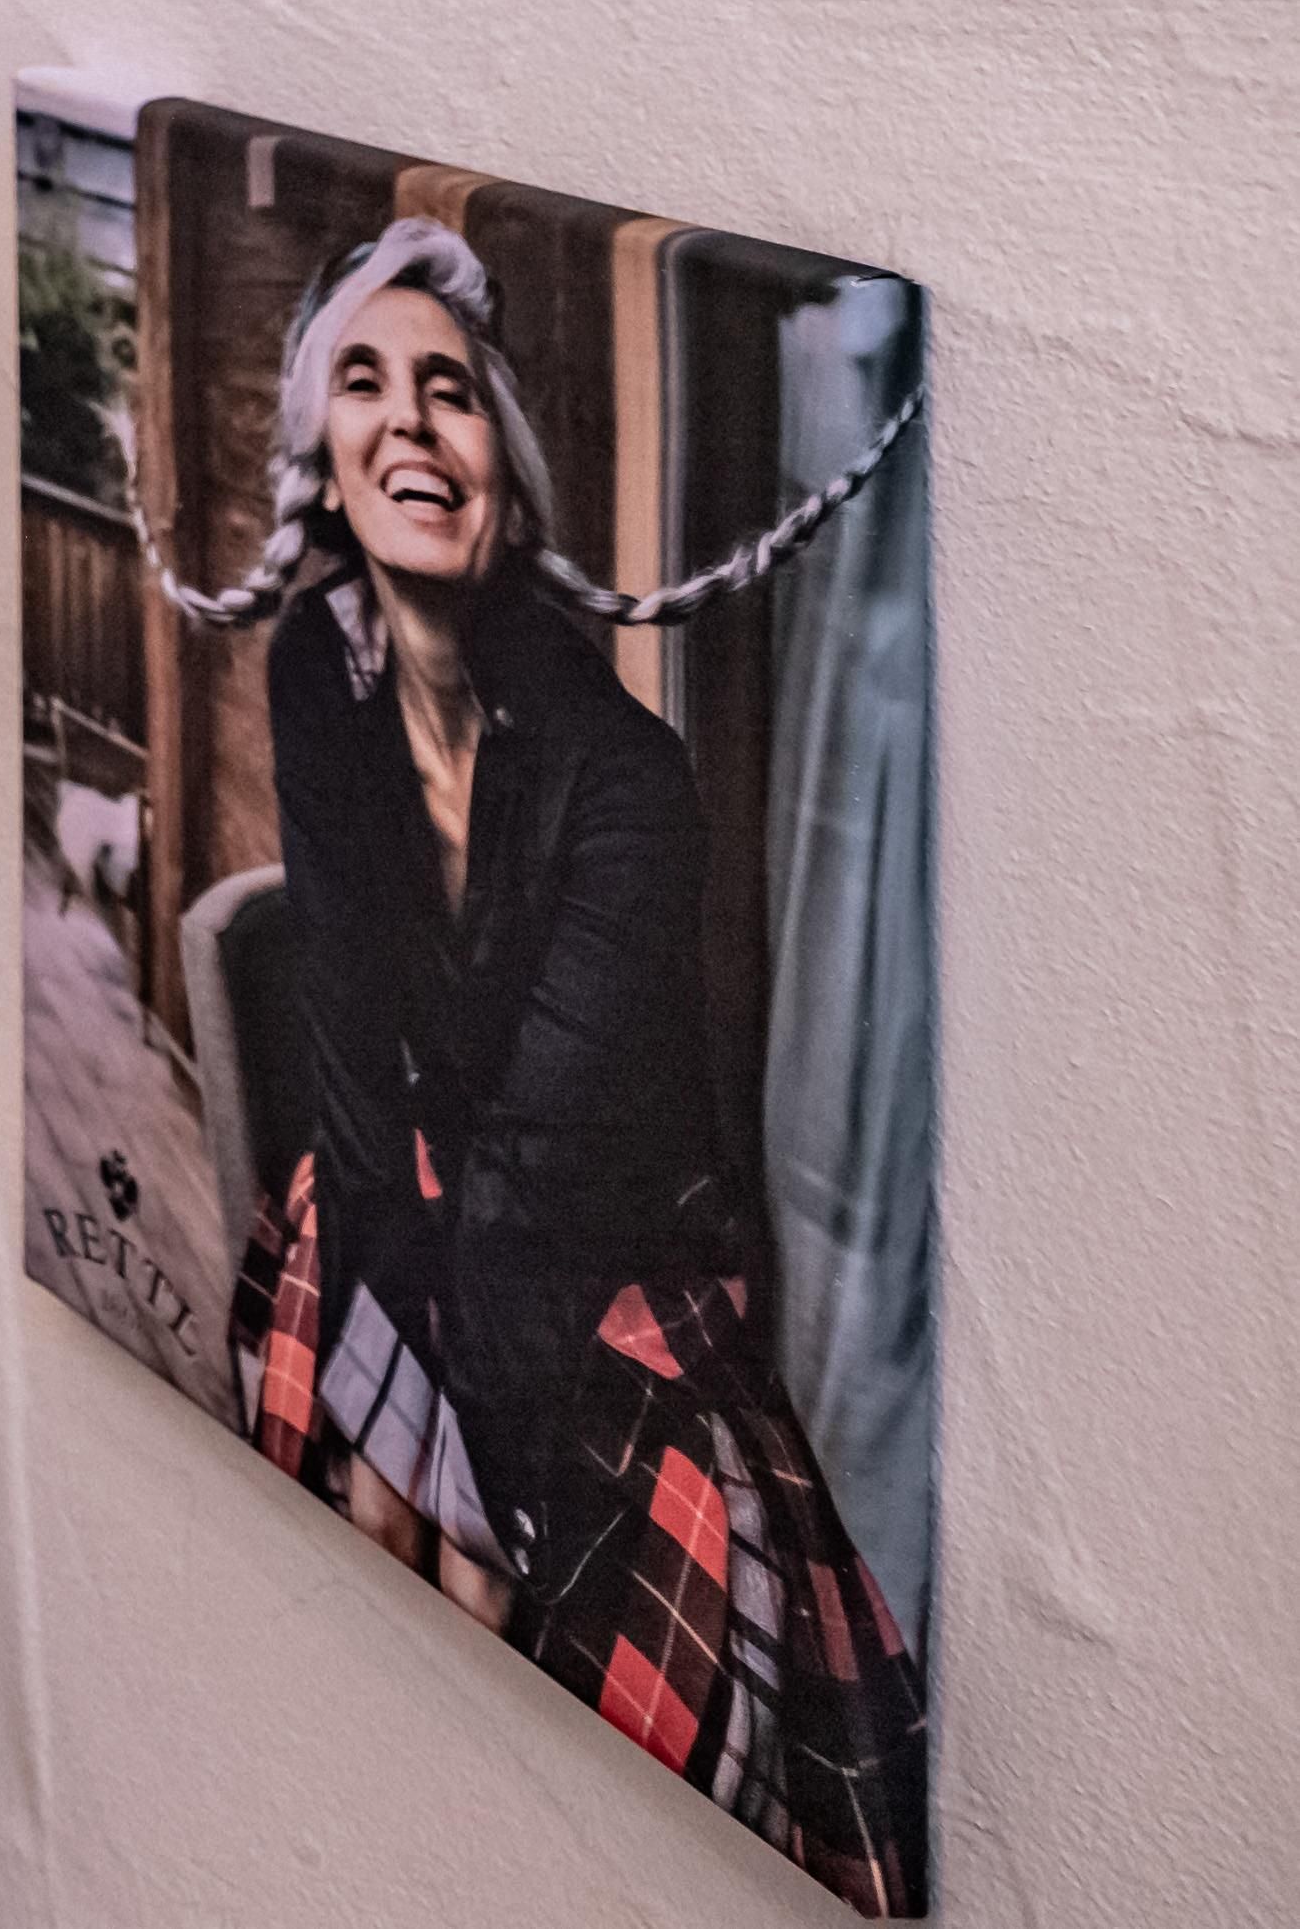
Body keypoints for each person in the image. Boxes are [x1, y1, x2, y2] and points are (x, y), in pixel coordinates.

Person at [168, 219, 932, 1908]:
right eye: (362, 381)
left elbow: (538, 1195)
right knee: (355, 1537)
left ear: (499, 467)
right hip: (408, 1203)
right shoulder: (317, 674)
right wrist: (393, 1409)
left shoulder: (624, 781)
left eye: (447, 387)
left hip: (606, 1275)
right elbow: (353, 1073)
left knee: (602, 1669)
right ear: (325, 459)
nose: (408, 418)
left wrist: (489, 1502)